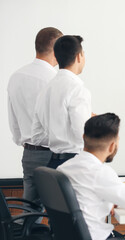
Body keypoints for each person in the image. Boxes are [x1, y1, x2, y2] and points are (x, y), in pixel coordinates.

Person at [7, 27, 63, 204]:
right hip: (54, 155)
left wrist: (24, 142)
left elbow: (13, 118)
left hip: (29, 154)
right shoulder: (55, 80)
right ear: (55, 50)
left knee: (30, 212)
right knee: (62, 211)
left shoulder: (16, 76)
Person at [32, 35, 92, 169]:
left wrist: (58, 135)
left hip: (53, 165)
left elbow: (36, 137)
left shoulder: (45, 90)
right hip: (75, 165)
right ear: (78, 57)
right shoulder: (77, 90)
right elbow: (82, 134)